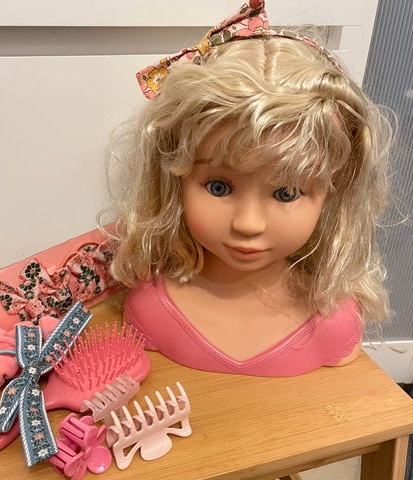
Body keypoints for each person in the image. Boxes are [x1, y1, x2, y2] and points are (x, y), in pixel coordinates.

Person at [102, 0, 393, 376]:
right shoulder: (152, 310)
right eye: (219, 187)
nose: (248, 224)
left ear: (334, 189)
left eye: (286, 193)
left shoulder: (332, 325)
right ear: (174, 177)